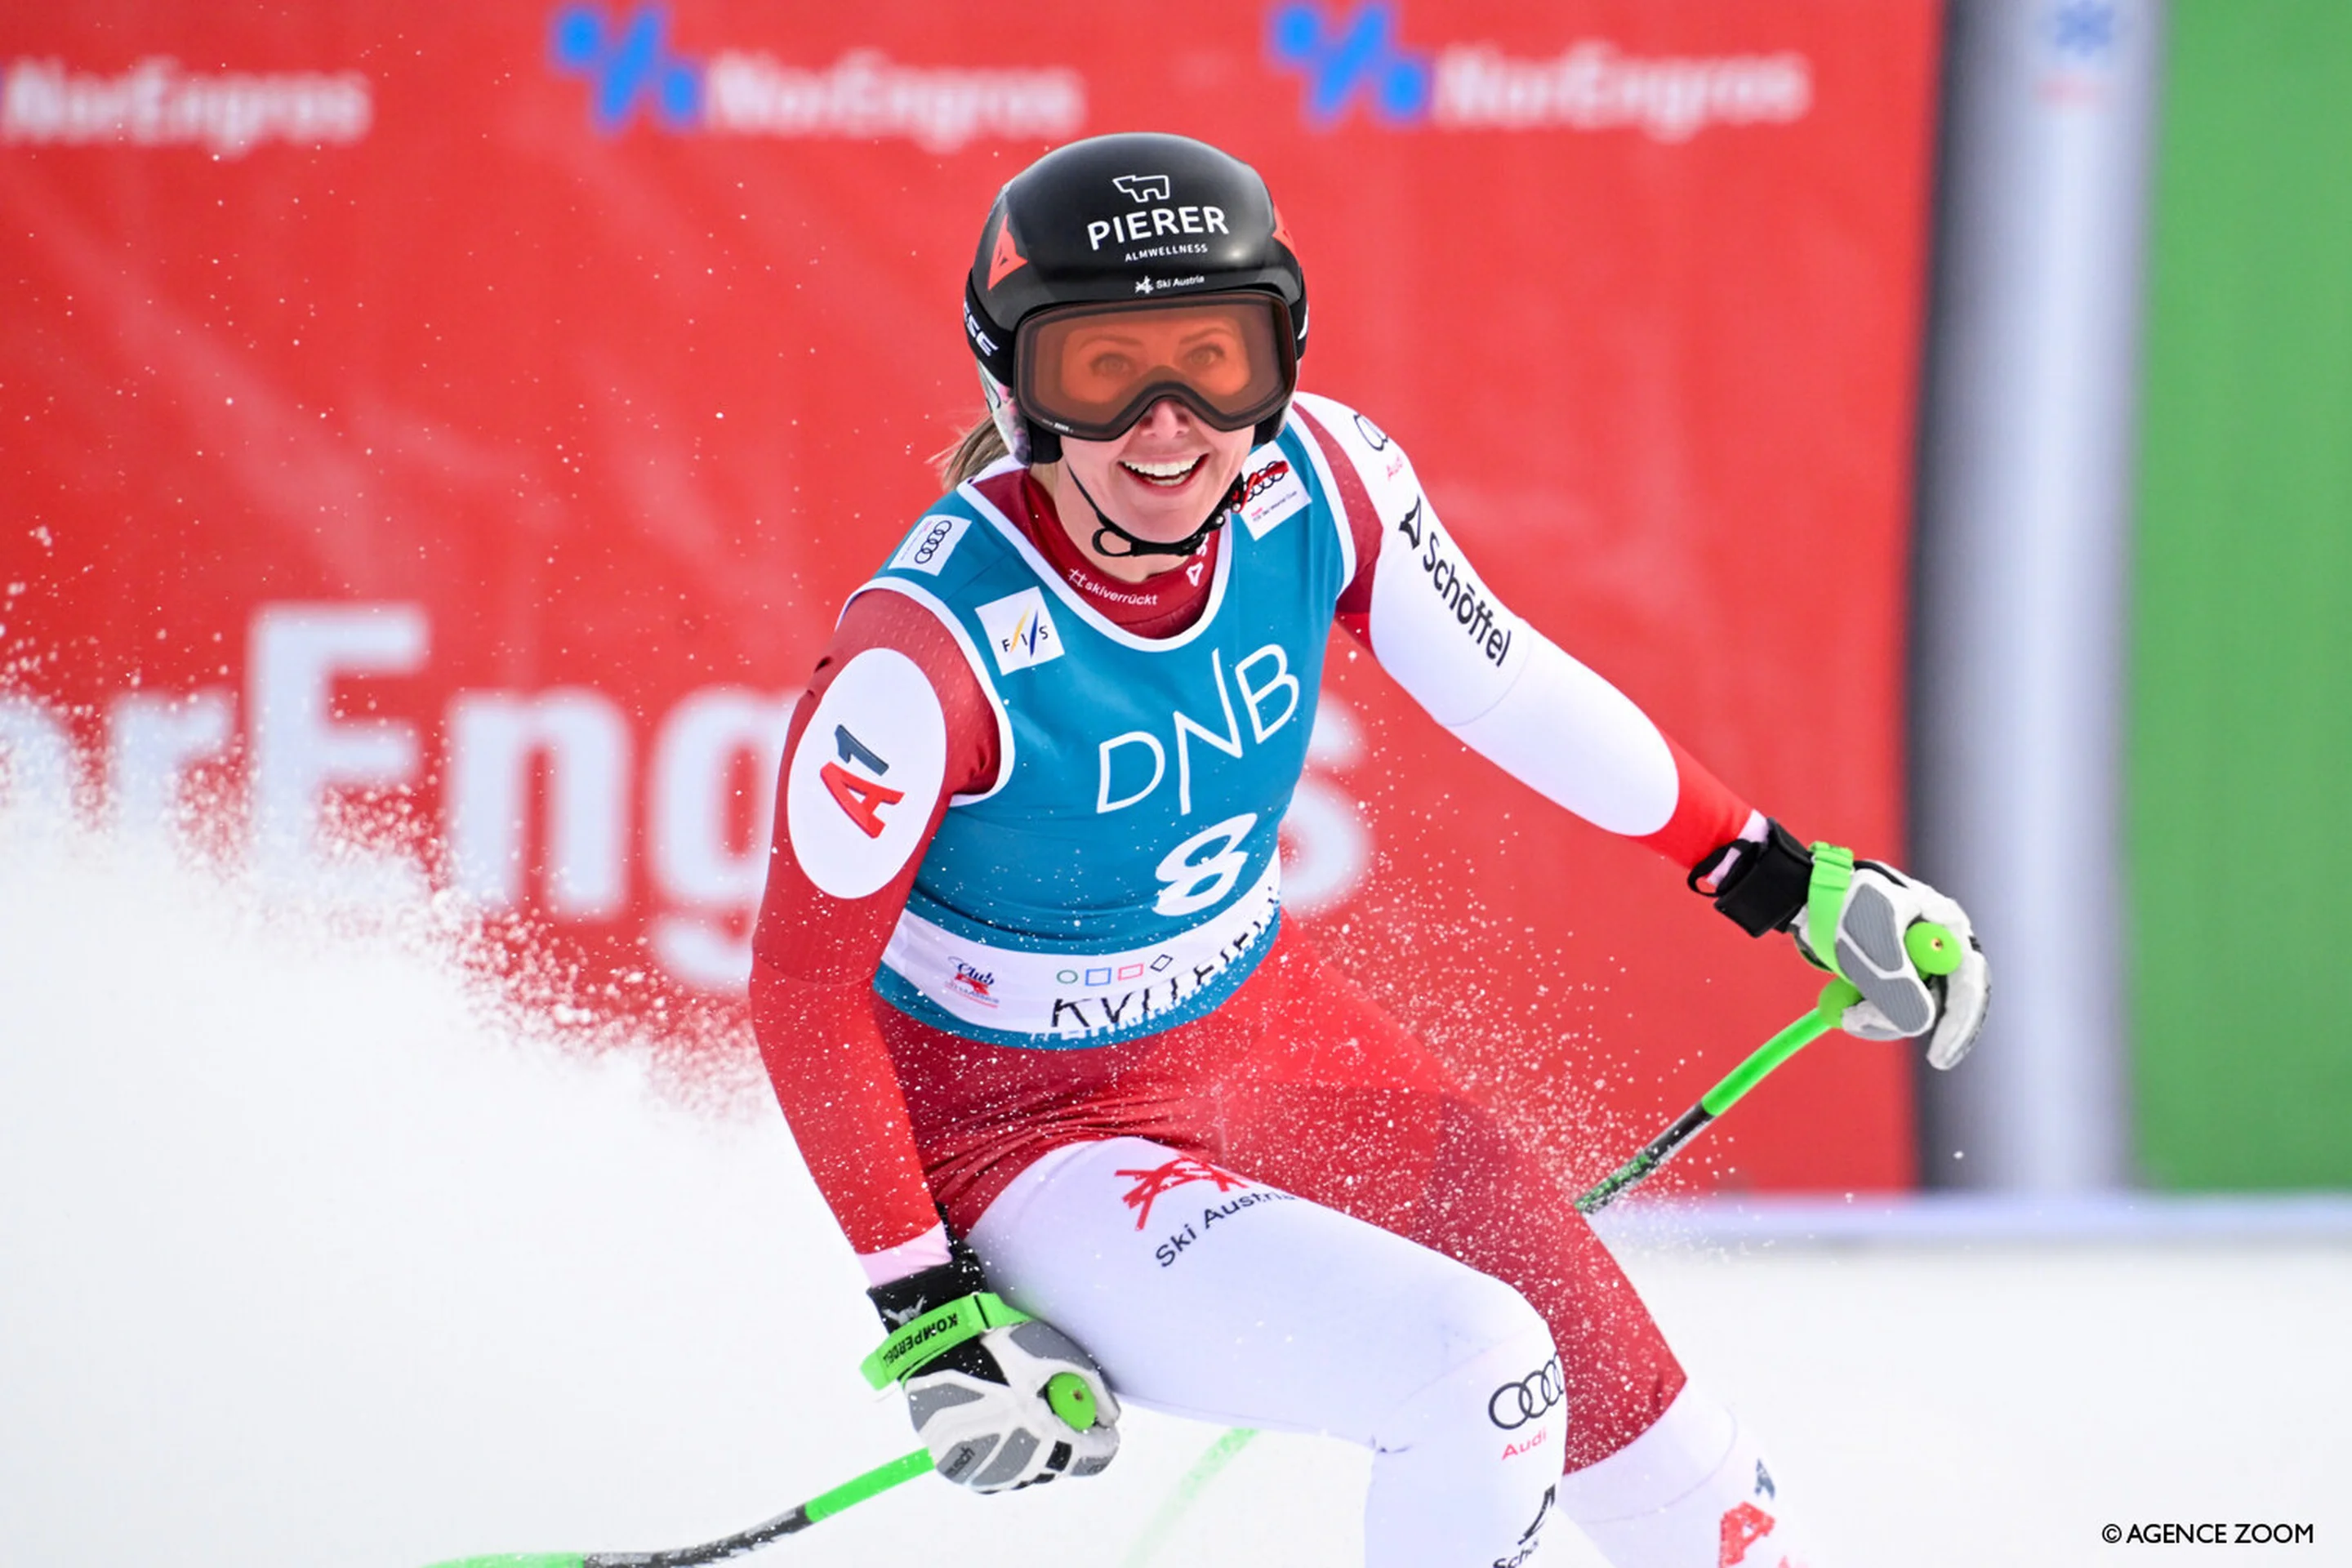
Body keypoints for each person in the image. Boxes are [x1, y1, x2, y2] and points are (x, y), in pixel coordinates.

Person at [751, 131, 1987, 1568]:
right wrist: (930, 1318)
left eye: (1213, 360)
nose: (1167, 425)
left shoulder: (1324, 481)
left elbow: (1505, 684)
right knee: (1483, 1376)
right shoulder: (925, 655)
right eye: (1103, 372)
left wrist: (1772, 873)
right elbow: (803, 992)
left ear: (1278, 356)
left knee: (1705, 1509)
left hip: (1271, 1042)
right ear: (1013, 388)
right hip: (1029, 1140)